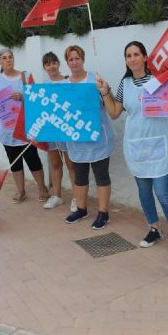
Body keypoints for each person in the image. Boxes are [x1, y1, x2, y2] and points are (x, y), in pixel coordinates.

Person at [98, 41, 168, 255]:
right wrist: (104, 92)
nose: (132, 58)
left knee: (162, 192)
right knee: (144, 191)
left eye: (136, 54)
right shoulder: (125, 83)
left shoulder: (161, 79)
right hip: (137, 143)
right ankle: (154, 228)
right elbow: (114, 112)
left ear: (145, 57)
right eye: (128, 55)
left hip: (161, 142)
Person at [0, 49, 49, 203]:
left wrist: (23, 96)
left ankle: (42, 189)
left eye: (10, 57)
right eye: (4, 58)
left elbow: (37, 98)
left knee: (33, 160)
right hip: (7, 130)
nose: (8, 60)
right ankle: (21, 191)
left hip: (25, 129)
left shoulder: (25, 76)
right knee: (14, 162)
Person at [63, 45, 115, 230]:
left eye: (77, 58)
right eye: (71, 59)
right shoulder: (64, 86)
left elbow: (110, 101)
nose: (74, 62)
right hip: (77, 141)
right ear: (67, 62)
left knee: (101, 176)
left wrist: (104, 91)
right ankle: (81, 208)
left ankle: (103, 212)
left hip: (98, 138)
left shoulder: (96, 79)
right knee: (80, 176)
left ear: (83, 59)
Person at [40, 51, 76, 210]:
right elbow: (39, 110)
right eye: (47, 64)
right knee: (55, 164)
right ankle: (57, 196)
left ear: (58, 64)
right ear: (44, 67)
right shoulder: (43, 87)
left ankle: (77, 197)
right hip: (50, 131)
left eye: (54, 62)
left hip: (66, 130)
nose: (51, 66)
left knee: (71, 165)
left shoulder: (69, 82)